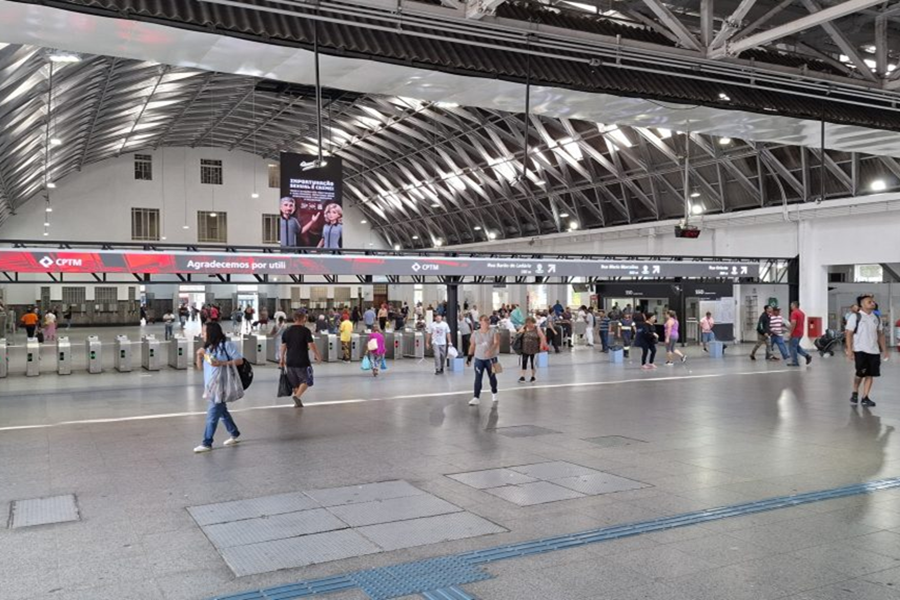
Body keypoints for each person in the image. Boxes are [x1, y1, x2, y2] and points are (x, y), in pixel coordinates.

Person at [194, 322, 243, 453]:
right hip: (211, 385)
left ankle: (207, 442)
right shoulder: (208, 348)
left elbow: (239, 360)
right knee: (222, 412)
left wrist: (222, 363)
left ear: (211, 333)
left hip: (222, 385)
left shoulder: (226, 345)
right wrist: (199, 356)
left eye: (204, 332)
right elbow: (201, 368)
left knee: (212, 415)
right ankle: (234, 433)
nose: (202, 334)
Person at [845, 294, 888, 407]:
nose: (872, 303)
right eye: (869, 302)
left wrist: (885, 350)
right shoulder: (855, 317)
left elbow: (880, 334)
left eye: (873, 301)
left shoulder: (876, 318)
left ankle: (865, 397)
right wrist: (849, 350)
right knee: (860, 373)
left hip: (874, 351)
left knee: (870, 374)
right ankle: (855, 391)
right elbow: (848, 334)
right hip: (860, 350)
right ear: (862, 305)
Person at [280, 311, 321, 407]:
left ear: (294, 319)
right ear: (304, 319)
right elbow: (311, 345)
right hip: (302, 361)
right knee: (307, 379)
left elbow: (283, 346)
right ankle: (297, 396)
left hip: (290, 361)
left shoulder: (287, 331)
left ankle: (297, 401)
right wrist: (317, 355)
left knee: (295, 384)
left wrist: (281, 359)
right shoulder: (305, 331)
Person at [467, 315, 500, 406]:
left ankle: (494, 392)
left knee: (492, 377)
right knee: (478, 378)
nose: (487, 321)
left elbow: (496, 342)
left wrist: (491, 350)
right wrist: (469, 357)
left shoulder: (494, 331)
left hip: (491, 359)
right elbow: (472, 345)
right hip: (479, 359)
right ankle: (476, 397)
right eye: (485, 320)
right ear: (480, 322)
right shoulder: (475, 333)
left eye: (488, 320)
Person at [517, 317, 546, 383]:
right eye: (527, 323)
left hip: (534, 348)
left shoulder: (536, 328)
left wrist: (541, 345)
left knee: (533, 363)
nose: (529, 324)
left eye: (530, 323)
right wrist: (521, 330)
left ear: (533, 322)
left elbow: (542, 337)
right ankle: (522, 376)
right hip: (525, 348)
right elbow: (518, 334)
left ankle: (533, 376)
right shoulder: (524, 328)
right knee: (524, 362)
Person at [788, 301, 812, 367]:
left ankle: (795, 362)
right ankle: (807, 356)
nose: (790, 307)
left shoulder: (794, 313)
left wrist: (790, 333)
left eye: (791, 305)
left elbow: (793, 323)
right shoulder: (802, 313)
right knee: (796, 346)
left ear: (794, 305)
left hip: (795, 333)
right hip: (800, 332)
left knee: (792, 347)